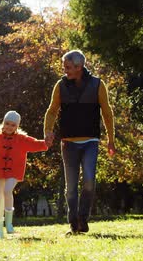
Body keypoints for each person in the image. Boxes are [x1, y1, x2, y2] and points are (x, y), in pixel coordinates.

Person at [44, 50, 115, 235]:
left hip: (90, 140)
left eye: (68, 67)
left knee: (89, 181)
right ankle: (74, 224)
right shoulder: (60, 86)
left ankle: (83, 218)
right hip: (68, 142)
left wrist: (111, 139)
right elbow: (52, 111)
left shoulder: (97, 85)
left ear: (79, 67)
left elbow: (107, 113)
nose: (64, 70)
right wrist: (48, 131)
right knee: (71, 188)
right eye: (64, 66)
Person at [0, 111, 48, 238]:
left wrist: (46, 142)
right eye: (7, 123)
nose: (9, 127)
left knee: (7, 190)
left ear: (17, 126)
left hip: (15, 170)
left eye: (13, 125)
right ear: (3, 123)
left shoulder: (21, 139)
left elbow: (36, 143)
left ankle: (9, 224)